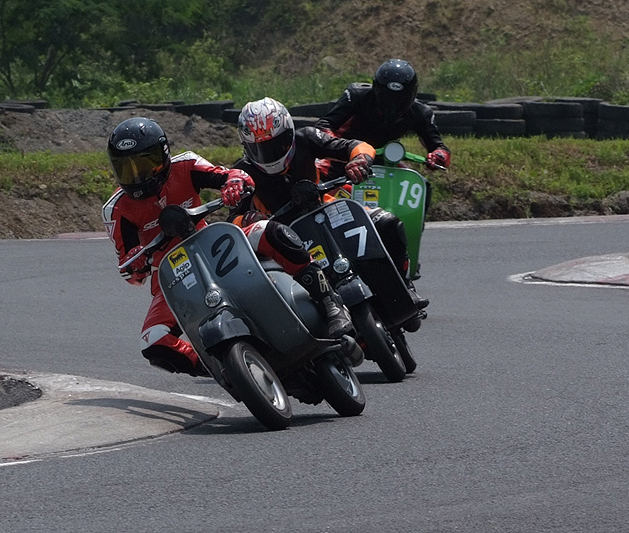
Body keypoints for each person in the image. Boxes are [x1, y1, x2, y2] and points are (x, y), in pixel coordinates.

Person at [102, 117, 351, 376]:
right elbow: (131, 272)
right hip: (173, 275)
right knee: (152, 341)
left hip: (212, 245)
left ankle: (329, 301)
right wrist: (136, 263)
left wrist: (234, 183)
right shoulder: (115, 210)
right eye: (126, 168)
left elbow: (236, 176)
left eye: (144, 165)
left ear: (163, 155)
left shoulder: (186, 164)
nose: (137, 175)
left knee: (270, 231)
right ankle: (218, 369)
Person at [231, 97, 429, 323]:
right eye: (259, 149)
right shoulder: (241, 172)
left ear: (289, 133)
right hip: (286, 236)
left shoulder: (306, 137)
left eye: (276, 144)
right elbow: (233, 219)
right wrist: (248, 219)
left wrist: (360, 161)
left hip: (326, 209)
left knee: (387, 223)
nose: (269, 154)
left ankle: (405, 285)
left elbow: (355, 145)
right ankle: (326, 310)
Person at [315, 58, 451, 179]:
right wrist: (339, 148)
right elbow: (324, 125)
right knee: (316, 180)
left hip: (382, 163)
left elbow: (439, 148)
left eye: (401, 98)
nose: (393, 105)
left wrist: (438, 157)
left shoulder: (420, 112)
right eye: (387, 97)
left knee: (422, 184)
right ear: (375, 90)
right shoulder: (357, 95)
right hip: (342, 158)